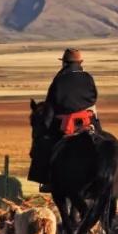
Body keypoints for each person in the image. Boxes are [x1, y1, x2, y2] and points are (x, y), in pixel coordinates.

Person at [27, 48, 100, 191]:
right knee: (101, 138)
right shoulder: (88, 77)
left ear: (65, 63)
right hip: (87, 120)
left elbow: (50, 104)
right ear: (80, 62)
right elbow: (93, 97)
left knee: (46, 146)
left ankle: (46, 180)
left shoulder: (59, 79)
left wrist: (45, 127)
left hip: (66, 123)